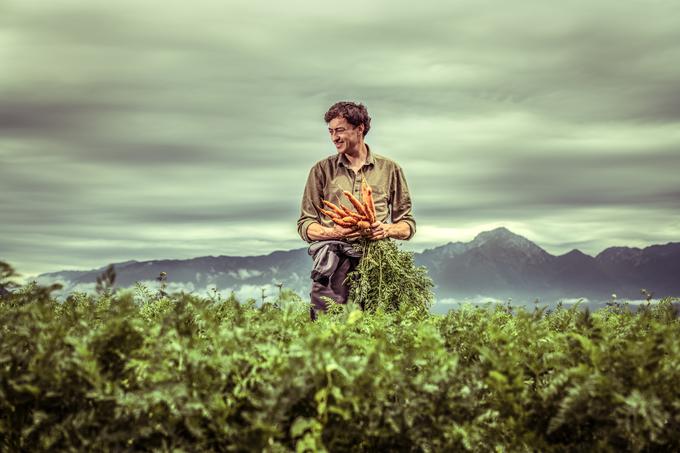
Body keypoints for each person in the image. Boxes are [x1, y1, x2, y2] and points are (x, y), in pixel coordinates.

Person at [297, 101, 416, 319]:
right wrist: (334, 232)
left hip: (377, 265)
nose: (334, 137)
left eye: (340, 130)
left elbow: (407, 225)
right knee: (325, 330)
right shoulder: (321, 170)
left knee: (377, 331)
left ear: (360, 128)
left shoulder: (390, 169)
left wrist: (386, 230)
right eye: (331, 132)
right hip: (331, 265)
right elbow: (306, 224)